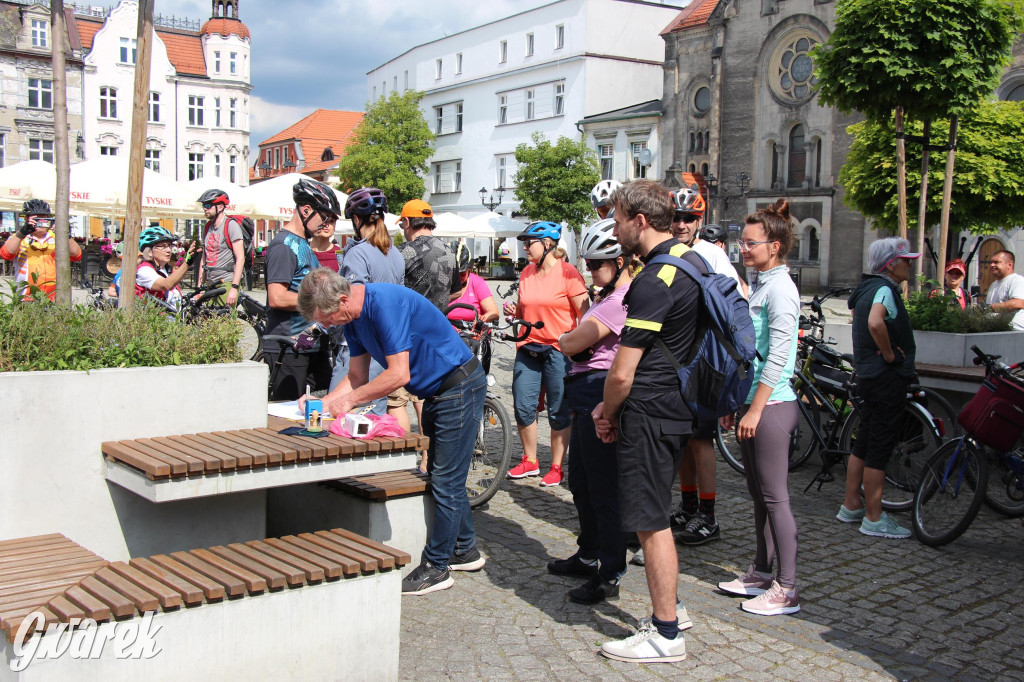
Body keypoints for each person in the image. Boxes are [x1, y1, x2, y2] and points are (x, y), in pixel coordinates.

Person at [296, 270, 487, 596]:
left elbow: (398, 374)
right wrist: (321, 403)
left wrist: (351, 401)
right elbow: (356, 375)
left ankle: (437, 567)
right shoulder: (351, 318)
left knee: (445, 480)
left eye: (327, 317)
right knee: (445, 474)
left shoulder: (384, 304)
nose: (327, 325)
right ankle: (464, 549)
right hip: (439, 392)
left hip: (459, 386)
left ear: (342, 300)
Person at [593, 179, 704, 663]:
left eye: (617, 220)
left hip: (650, 410)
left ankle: (666, 633)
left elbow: (622, 370)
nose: (613, 229)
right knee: (655, 512)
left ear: (639, 221)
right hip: (678, 406)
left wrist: (606, 410)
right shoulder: (693, 262)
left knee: (650, 521)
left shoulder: (654, 280)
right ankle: (672, 606)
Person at [717, 200, 802, 616]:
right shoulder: (763, 284)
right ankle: (762, 571)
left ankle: (787, 587)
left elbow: (778, 357)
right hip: (754, 401)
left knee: (775, 497)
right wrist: (739, 402)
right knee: (758, 495)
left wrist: (755, 409)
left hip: (774, 405)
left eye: (750, 244)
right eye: (741, 243)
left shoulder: (782, 290)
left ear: (775, 245)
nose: (743, 250)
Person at [547, 218, 633, 605]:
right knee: (580, 481)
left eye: (597, 264)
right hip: (582, 391)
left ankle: (610, 570)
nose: (591, 273)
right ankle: (588, 553)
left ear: (619, 262)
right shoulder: (604, 296)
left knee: (603, 488)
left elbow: (574, 341)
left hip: (599, 391)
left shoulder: (620, 300)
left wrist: (564, 339)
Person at [667, 186, 746, 550]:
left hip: (703, 359)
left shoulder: (709, 254)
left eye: (689, 218)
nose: (681, 224)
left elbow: (738, 298)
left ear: (700, 221)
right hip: (676, 359)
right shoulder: (667, 250)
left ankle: (709, 517)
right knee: (683, 439)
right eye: (676, 217)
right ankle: (687, 506)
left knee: (700, 440)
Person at [838, 237, 920, 539]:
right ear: (890, 264)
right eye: (905, 259)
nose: (909, 264)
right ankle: (873, 517)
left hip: (868, 377)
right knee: (880, 447)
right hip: (886, 378)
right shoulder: (884, 289)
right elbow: (875, 323)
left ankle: (850, 505)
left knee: (865, 440)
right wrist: (888, 353)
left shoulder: (866, 288)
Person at [503, 221, 589, 487]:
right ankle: (530, 460)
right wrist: (515, 311)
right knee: (523, 406)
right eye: (525, 243)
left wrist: (578, 347)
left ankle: (556, 466)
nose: (525, 248)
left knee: (558, 410)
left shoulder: (569, 273)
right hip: (527, 347)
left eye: (530, 243)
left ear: (548, 244)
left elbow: (585, 315)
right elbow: (528, 309)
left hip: (557, 350)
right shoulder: (527, 273)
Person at [332, 187, 406, 414]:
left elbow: (353, 304)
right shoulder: (395, 253)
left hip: (359, 347)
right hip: (385, 347)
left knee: (337, 412)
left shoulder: (357, 253)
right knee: (374, 414)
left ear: (356, 219)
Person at [263, 178, 337, 400]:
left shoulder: (303, 243)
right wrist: (322, 304)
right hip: (289, 345)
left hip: (311, 341)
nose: (325, 224)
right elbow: (276, 297)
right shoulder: (284, 246)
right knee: (287, 414)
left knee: (318, 409)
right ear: (306, 210)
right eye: (323, 217)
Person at [1, 200, 82, 301]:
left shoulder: (57, 237)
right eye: (36, 218)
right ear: (26, 219)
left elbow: (76, 255)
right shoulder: (19, 238)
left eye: (43, 217)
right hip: (26, 297)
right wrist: (22, 233)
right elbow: (6, 254)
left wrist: (66, 234)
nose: (40, 222)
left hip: (54, 298)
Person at [395, 199, 460, 311]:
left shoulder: (402, 251)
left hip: (410, 324)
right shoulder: (448, 251)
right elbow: (457, 291)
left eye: (402, 225)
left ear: (407, 222)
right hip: (439, 324)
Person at [196, 189, 244, 307]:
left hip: (226, 282)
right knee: (207, 320)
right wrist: (199, 286)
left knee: (224, 322)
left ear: (221, 207)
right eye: (204, 206)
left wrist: (234, 287)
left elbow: (240, 258)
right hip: (210, 283)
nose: (205, 209)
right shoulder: (207, 227)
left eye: (208, 205)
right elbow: (204, 258)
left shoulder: (231, 226)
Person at [134, 227, 198, 310]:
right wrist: (187, 263)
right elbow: (166, 285)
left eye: (170, 246)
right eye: (164, 246)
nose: (169, 250)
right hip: (156, 320)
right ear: (150, 251)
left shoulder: (166, 270)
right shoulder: (144, 270)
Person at [447, 242, 499, 325]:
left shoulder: (477, 282)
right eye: (453, 274)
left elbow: (494, 312)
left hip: (472, 333)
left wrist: (483, 319)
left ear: (469, 269)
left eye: (462, 274)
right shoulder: (440, 284)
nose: (457, 278)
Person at [985, 250, 1024, 330]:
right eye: (991, 262)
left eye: (996, 262)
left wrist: (989, 307)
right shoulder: (993, 285)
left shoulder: (1017, 280)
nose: (992, 265)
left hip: (1015, 332)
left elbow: (1018, 303)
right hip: (998, 331)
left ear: (1009, 264)